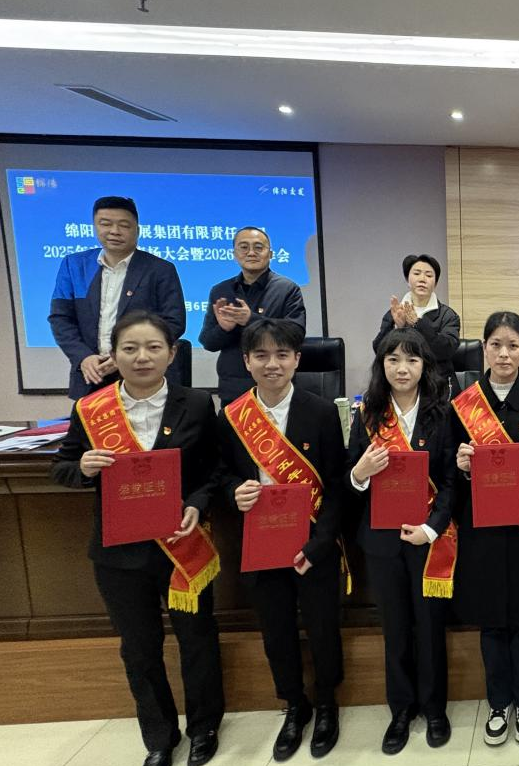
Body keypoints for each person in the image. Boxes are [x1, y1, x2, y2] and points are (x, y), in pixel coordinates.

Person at [50, 310, 223, 766]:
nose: (141, 357)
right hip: (120, 554)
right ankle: (159, 737)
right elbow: (61, 467)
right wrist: (82, 467)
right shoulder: (91, 409)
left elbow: (214, 470)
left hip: (181, 545)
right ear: (114, 355)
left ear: (171, 353)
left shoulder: (197, 404)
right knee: (140, 647)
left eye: (152, 347)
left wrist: (197, 504)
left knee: (197, 639)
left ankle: (204, 728)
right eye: (129, 348)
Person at [218, 319, 344, 761]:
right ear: (246, 361)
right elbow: (220, 475)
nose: (272, 364)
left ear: (297, 360)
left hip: (312, 543)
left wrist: (320, 543)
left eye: (282, 355)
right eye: (262, 355)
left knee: (323, 627)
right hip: (261, 543)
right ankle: (295, 705)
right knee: (276, 630)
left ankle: (326, 704)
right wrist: (233, 491)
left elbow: (337, 485)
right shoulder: (232, 417)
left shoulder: (321, 411)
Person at [451, 312, 519, 746]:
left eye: (513, 345)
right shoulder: (464, 402)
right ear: (484, 348)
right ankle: (498, 703)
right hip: (481, 530)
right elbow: (446, 471)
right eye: (496, 345)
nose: (504, 354)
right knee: (492, 620)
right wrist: (461, 466)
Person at [347, 328, 456, 755]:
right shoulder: (367, 415)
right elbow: (347, 479)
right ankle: (401, 710)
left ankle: (434, 708)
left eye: (412, 359)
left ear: (425, 366)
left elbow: (450, 482)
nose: (402, 368)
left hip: (427, 539)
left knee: (429, 628)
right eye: (393, 359)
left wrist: (431, 528)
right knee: (394, 629)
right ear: (382, 366)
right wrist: (360, 473)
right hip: (381, 541)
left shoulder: (442, 413)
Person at [49, 197, 186, 399]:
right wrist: (83, 357)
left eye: (124, 225)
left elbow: (174, 321)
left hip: (142, 375)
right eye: (105, 224)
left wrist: (124, 356)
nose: (114, 231)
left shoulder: (160, 269)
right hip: (91, 375)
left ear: (137, 230)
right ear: (94, 226)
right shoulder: (74, 265)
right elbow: (60, 318)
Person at [199, 226, 307, 404]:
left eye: (258, 247)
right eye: (244, 247)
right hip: (233, 387)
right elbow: (208, 342)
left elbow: (296, 334)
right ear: (234, 254)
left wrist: (250, 320)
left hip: (275, 384)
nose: (251, 253)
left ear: (270, 254)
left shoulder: (287, 289)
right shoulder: (221, 290)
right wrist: (224, 329)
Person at [372, 254, 461, 397]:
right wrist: (397, 328)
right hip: (400, 385)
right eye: (417, 273)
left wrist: (418, 323)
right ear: (408, 280)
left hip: (438, 388)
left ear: (435, 283)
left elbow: (446, 350)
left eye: (429, 275)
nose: (422, 279)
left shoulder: (448, 315)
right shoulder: (395, 313)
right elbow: (378, 349)